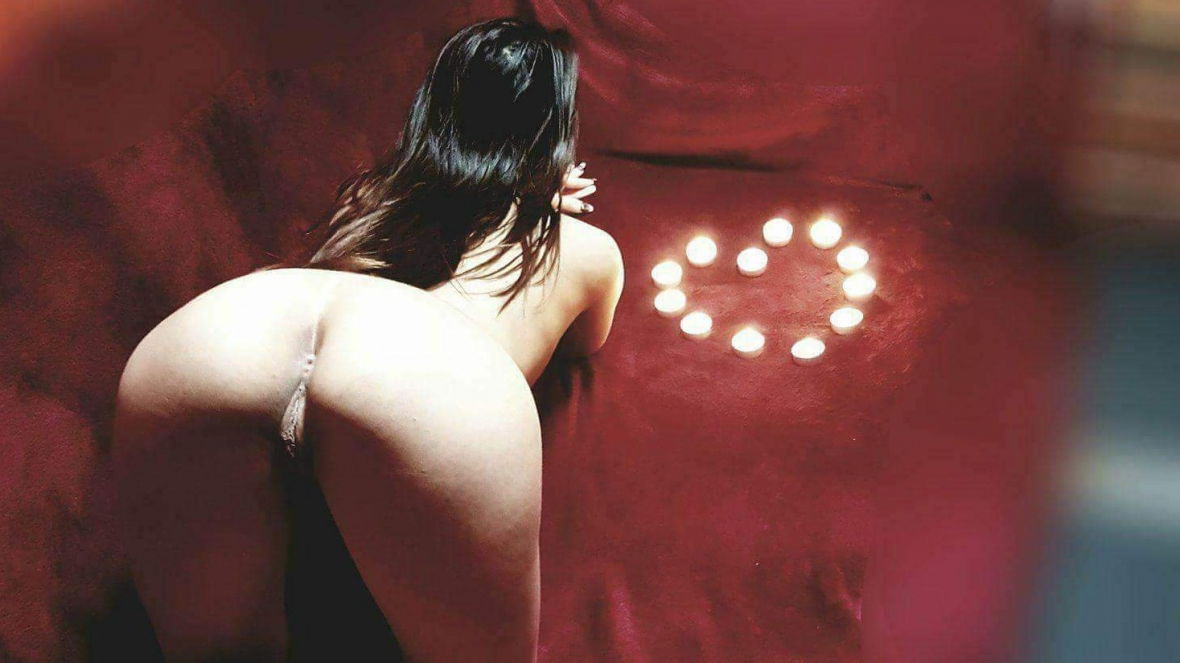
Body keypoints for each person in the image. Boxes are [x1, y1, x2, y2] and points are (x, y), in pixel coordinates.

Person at [110, 17, 624, 662]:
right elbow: (584, 343)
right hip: (424, 374)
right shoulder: (585, 248)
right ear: (558, 130)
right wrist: (541, 205)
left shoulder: (371, 203)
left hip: (233, 324)